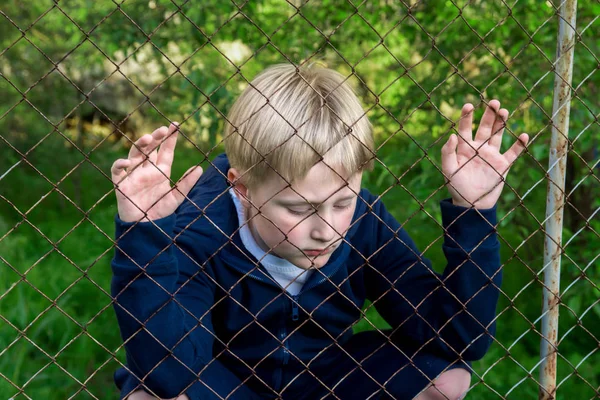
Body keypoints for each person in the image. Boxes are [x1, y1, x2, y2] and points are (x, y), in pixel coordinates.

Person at [109, 63, 529, 400]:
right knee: (150, 396)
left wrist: (473, 212)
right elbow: (170, 370)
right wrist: (145, 236)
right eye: (298, 208)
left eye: (342, 202)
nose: (327, 229)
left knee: (448, 379)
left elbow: (459, 339)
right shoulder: (202, 224)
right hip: (226, 381)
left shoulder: (364, 222)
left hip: (324, 378)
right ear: (242, 185)